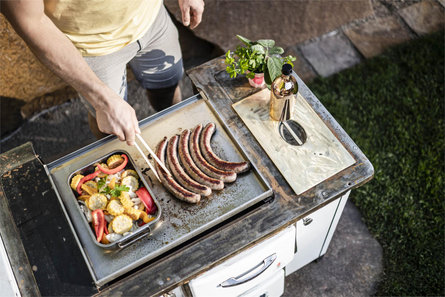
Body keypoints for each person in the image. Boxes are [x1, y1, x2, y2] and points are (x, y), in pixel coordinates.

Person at [2, 0, 205, 146]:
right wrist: (102, 100)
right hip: (93, 48)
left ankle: (176, 136)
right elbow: (31, 23)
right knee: (113, 131)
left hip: (153, 18)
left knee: (167, 87)